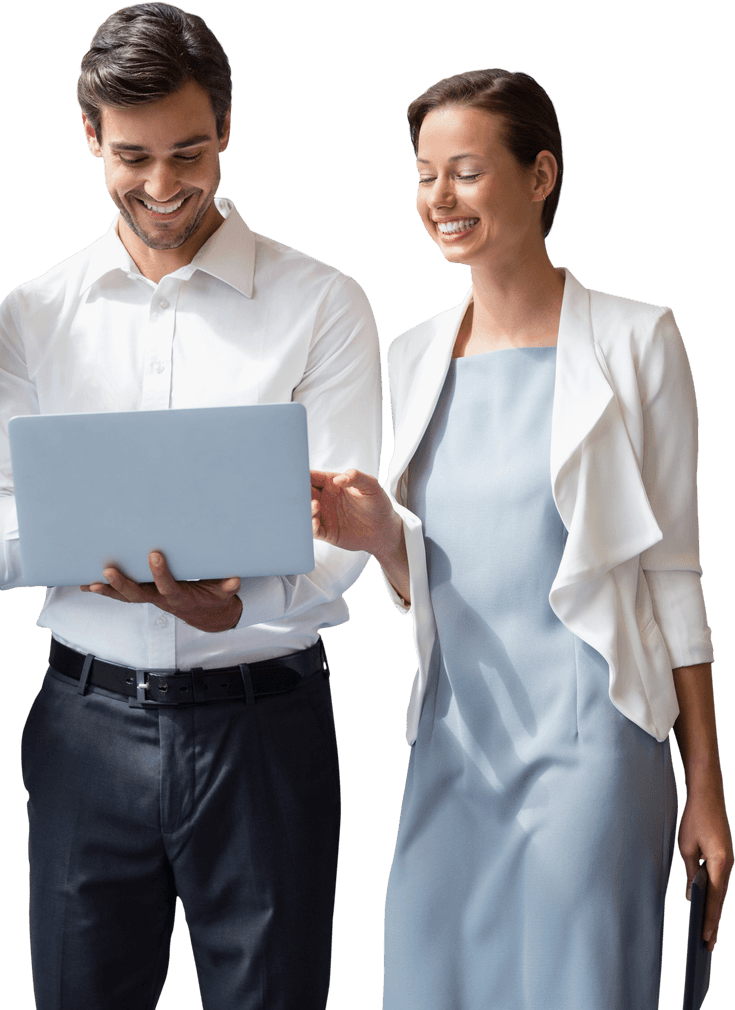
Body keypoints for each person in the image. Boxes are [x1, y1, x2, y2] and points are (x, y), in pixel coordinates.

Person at [0, 4, 380, 1007]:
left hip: (264, 730)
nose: (161, 186)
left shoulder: (323, 303)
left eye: (188, 153)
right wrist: (84, 548)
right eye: (133, 156)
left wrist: (239, 605)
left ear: (227, 128)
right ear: (90, 135)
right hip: (83, 727)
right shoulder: (34, 312)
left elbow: (343, 536)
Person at [310, 68, 732, 1007]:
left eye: (465, 172)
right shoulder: (414, 355)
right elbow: (441, 573)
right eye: (425, 176)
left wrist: (705, 782)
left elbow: (673, 572)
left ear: (541, 176)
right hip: (453, 745)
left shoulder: (639, 340)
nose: (439, 198)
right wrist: (380, 539)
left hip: (594, 750)